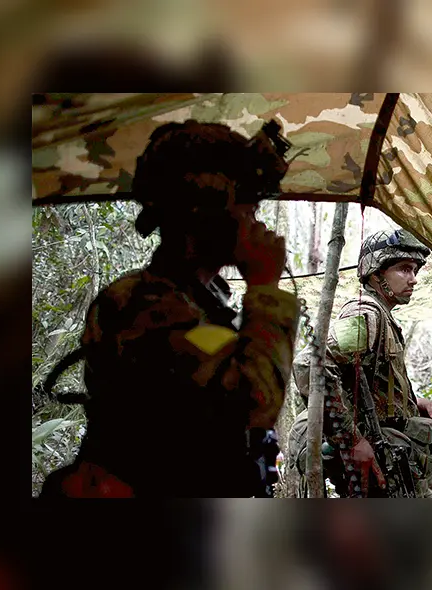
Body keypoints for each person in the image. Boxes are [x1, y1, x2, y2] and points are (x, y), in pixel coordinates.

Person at [40, 119, 299, 497]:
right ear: (209, 210)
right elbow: (251, 403)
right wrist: (264, 286)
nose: (254, 223)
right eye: (247, 209)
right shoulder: (141, 304)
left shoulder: (200, 300)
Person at [288, 228, 432, 497]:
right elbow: (310, 363)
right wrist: (352, 441)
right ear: (375, 273)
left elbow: (367, 384)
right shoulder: (366, 314)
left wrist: (411, 402)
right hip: (367, 456)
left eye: (415, 270)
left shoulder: (382, 316)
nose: (413, 279)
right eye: (403, 269)